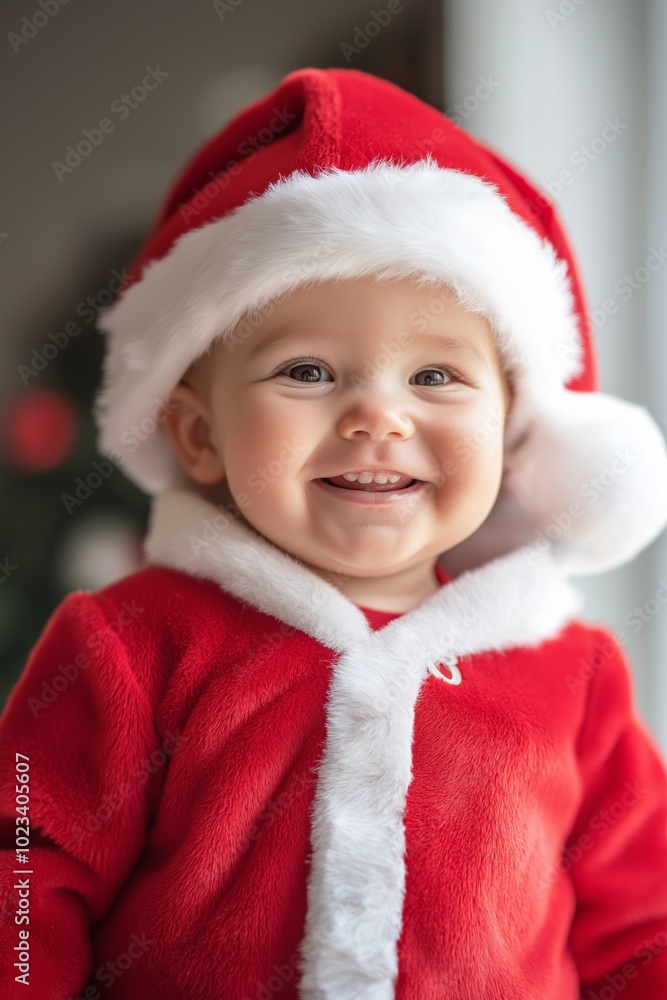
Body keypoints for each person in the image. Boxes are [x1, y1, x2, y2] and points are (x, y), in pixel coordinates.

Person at [1, 66, 667, 1000]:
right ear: (198, 434)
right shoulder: (125, 646)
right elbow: (23, 879)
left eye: (436, 377)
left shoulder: (575, 678)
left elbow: (643, 935)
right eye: (308, 371)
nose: (376, 416)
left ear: (515, 433)